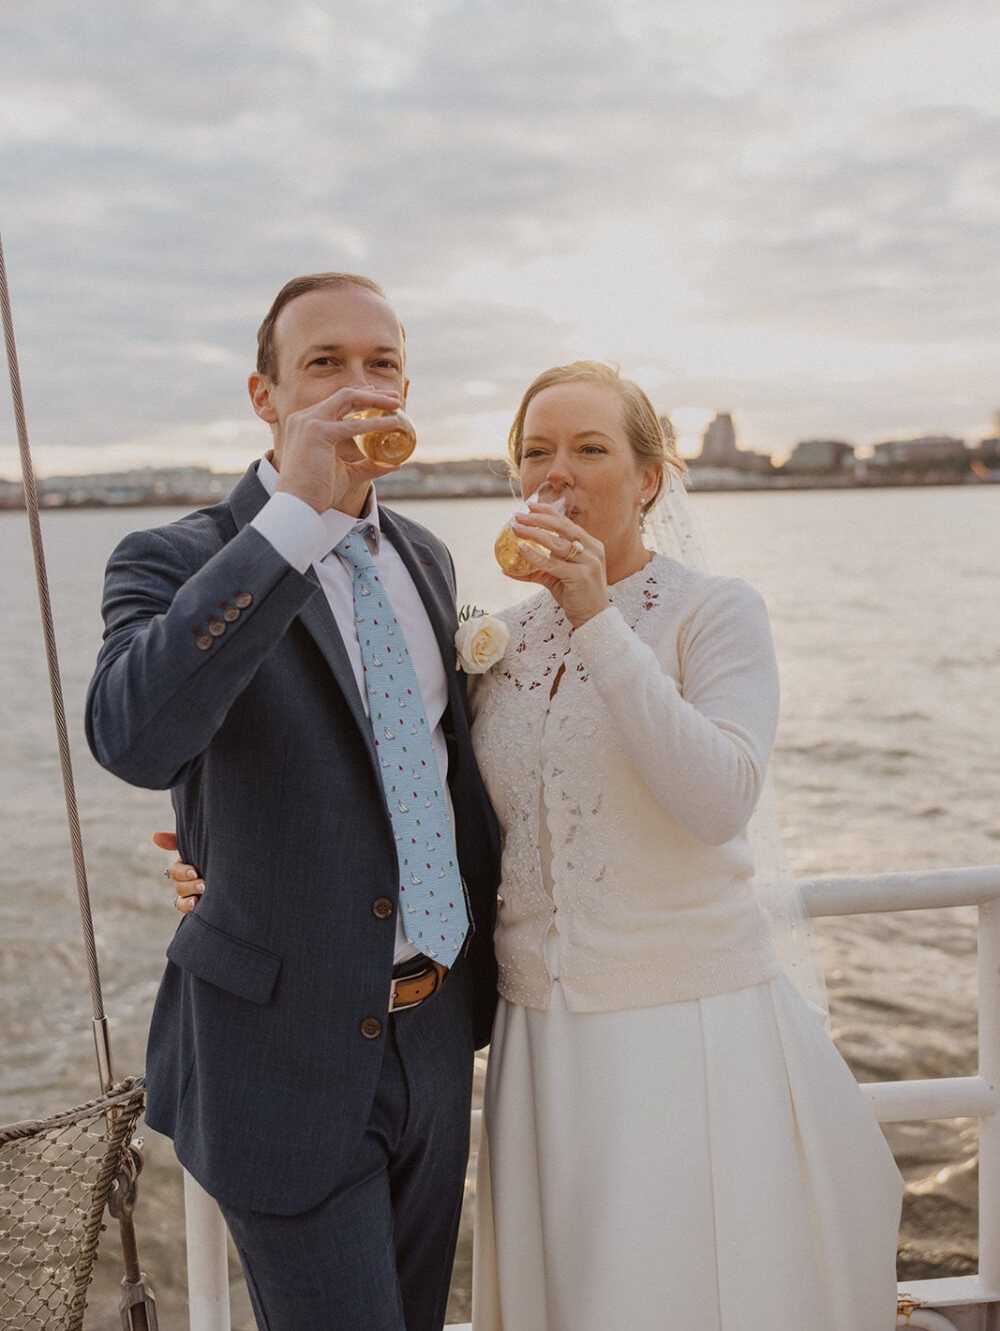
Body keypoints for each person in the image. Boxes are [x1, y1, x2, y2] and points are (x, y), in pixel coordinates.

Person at [167, 357, 905, 1329]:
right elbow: (417, 809)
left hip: (685, 1028)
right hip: (537, 1038)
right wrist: (231, 863)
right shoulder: (495, 636)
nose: (555, 473)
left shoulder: (716, 613)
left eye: (589, 449)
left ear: (648, 477)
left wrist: (594, 612)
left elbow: (719, 798)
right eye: (535, 452)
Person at [85, 272, 501, 1331]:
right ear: (264, 395)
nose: (357, 388)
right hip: (279, 1058)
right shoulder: (173, 558)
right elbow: (135, 739)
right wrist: (291, 524)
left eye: (382, 363)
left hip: (435, 1031)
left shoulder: (428, 558)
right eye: (323, 363)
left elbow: (430, 775)